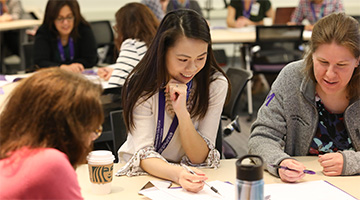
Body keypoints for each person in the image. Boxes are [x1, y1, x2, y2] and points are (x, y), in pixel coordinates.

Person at [116, 9, 230, 192]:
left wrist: (182, 113)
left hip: (192, 176)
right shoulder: (141, 84)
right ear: (163, 52)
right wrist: (177, 174)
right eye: (183, 59)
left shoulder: (214, 84)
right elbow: (144, 154)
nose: (191, 68)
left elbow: (199, 157)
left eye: (201, 58)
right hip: (144, 176)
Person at [248, 13, 360, 183]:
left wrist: (352, 162)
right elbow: (262, 137)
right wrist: (279, 162)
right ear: (311, 55)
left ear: (357, 60)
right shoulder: (291, 77)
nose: (330, 74)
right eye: (322, 62)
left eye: (341, 65)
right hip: (303, 185)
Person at [0, 68, 104, 198]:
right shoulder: (49, 163)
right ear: (68, 128)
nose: (92, 138)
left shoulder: (11, 151)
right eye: (92, 129)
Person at [97, 3, 159, 86]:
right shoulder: (156, 42)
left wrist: (117, 74)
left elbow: (115, 86)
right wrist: (115, 70)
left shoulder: (133, 45)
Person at [33, 0, 97, 73]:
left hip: (79, 75)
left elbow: (91, 59)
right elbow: (40, 62)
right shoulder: (44, 31)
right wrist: (62, 67)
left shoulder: (84, 29)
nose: (65, 23)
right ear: (52, 19)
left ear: (76, 16)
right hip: (53, 77)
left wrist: (72, 67)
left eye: (69, 17)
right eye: (60, 18)